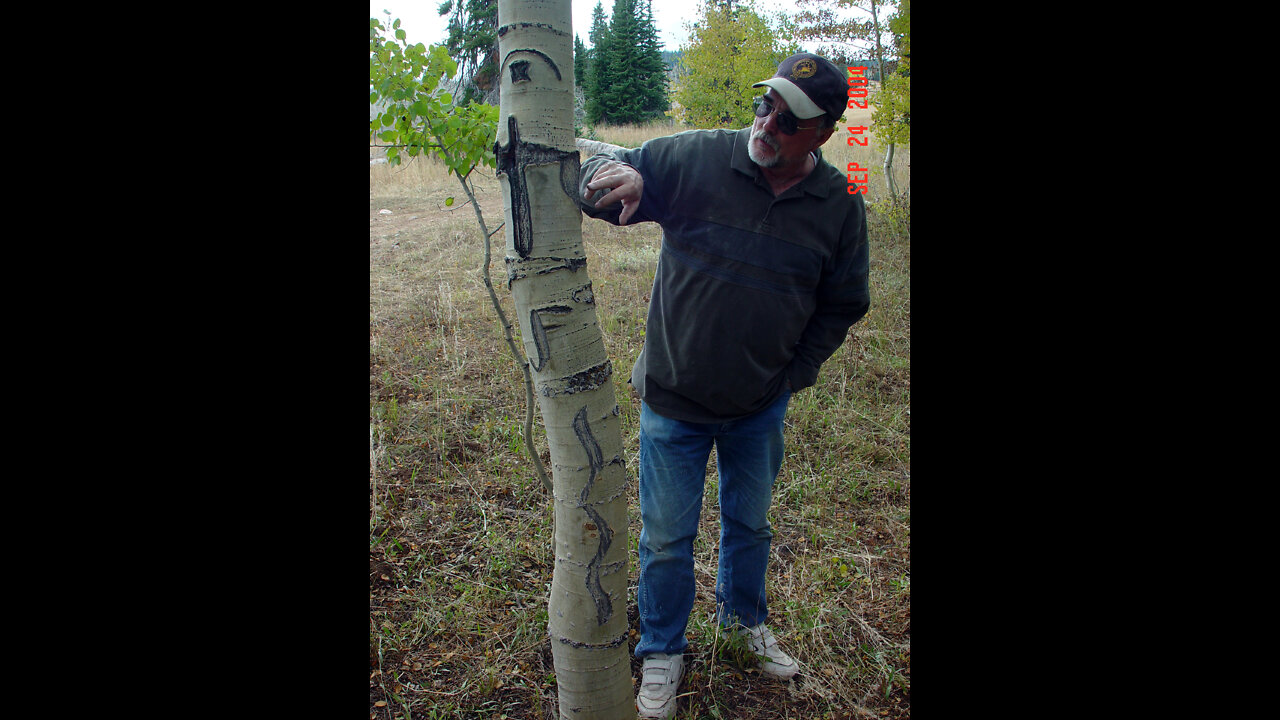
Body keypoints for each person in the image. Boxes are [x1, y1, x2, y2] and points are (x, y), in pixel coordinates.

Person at [577, 52, 870, 720]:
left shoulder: (840, 202)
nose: (766, 123)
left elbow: (844, 301)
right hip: (675, 400)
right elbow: (607, 171)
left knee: (748, 525)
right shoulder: (699, 158)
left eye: (788, 119)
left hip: (760, 406)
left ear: (823, 133)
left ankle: (743, 626)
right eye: (765, 104)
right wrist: (606, 174)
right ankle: (661, 651)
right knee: (668, 540)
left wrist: (795, 374)